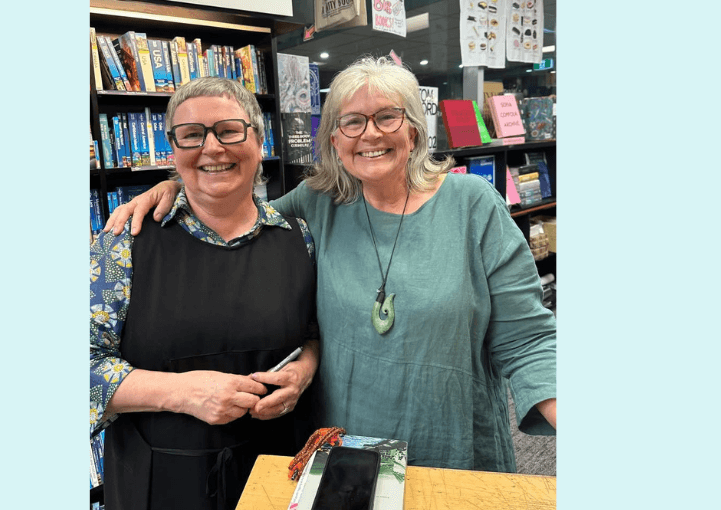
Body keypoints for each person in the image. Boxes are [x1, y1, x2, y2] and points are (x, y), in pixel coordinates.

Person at [105, 56, 557, 473]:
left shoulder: (472, 205)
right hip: (344, 451)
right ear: (335, 140)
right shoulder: (318, 204)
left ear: (414, 131)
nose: (370, 134)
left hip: (453, 448)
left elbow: (529, 338)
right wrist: (173, 191)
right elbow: (232, 207)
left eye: (387, 117)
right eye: (352, 122)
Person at [90, 77, 320, 510]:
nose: (212, 148)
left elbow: (311, 331)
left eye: (229, 130)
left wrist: (305, 368)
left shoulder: (297, 237)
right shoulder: (124, 242)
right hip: (159, 484)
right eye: (192, 135)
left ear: (258, 137)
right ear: (172, 150)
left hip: (276, 472)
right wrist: (182, 393)